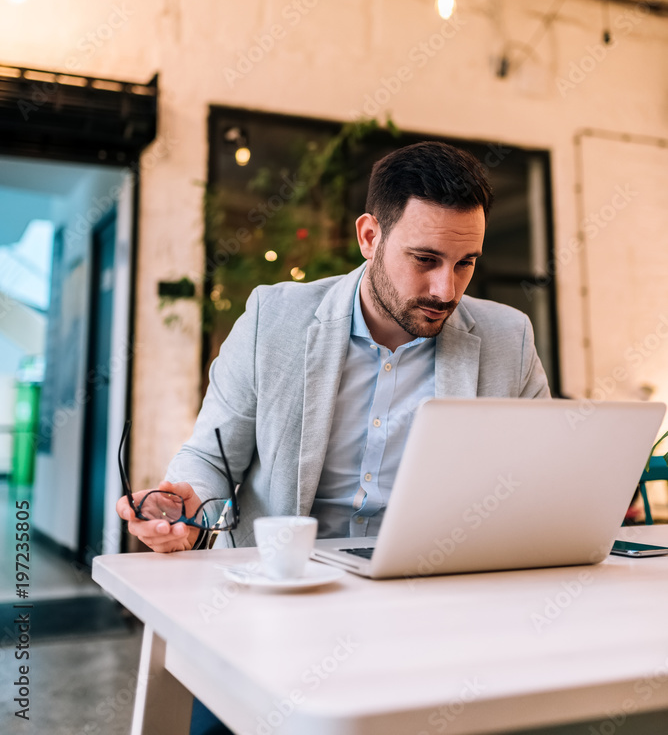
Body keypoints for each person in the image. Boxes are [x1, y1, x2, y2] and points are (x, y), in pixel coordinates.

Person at [117, 140, 550, 734]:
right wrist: (183, 500)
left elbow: (539, 480)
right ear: (370, 236)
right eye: (424, 258)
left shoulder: (509, 338)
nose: (446, 290)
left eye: (465, 263)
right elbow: (210, 455)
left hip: (431, 613)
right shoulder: (275, 317)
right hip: (278, 605)